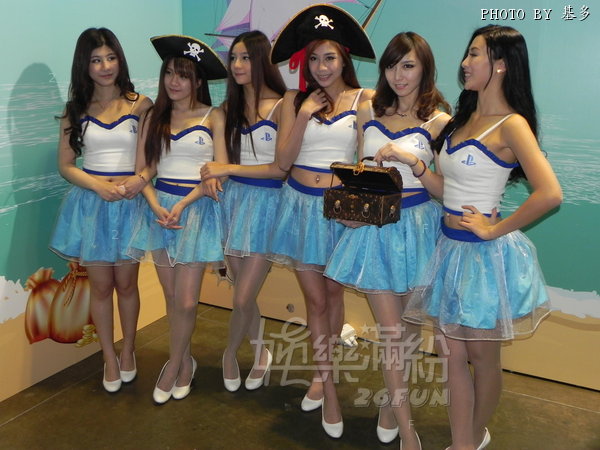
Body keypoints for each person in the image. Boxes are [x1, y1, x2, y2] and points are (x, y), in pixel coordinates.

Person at [377, 25, 562, 449]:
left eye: (475, 54)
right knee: (450, 355)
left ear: (501, 64)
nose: (464, 62)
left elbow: (550, 193)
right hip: (448, 249)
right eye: (467, 53)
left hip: (483, 256)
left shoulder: (512, 125)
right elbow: (447, 191)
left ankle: (472, 438)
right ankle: (463, 440)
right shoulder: (463, 118)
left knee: (481, 356)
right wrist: (416, 166)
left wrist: (493, 228)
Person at [325, 31, 450, 449]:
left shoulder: (439, 122)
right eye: (392, 65)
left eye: (409, 65)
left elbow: (445, 190)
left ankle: (390, 406)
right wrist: (350, 207)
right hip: (375, 229)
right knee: (392, 333)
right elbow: (357, 168)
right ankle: (409, 432)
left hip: (419, 228)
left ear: (425, 69)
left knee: (409, 332)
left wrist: (413, 162)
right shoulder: (368, 109)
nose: (399, 75)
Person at [268, 4, 375, 438]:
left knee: (333, 294)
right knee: (315, 300)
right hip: (299, 205)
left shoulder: (364, 99)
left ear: (344, 59)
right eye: (313, 58)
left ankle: (325, 370)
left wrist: (359, 206)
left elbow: (367, 160)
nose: (321, 67)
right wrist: (305, 114)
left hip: (337, 207)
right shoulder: (293, 101)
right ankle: (323, 378)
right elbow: (282, 161)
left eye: (329, 57)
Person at [49, 27, 152, 393]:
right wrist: (97, 186)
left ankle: (128, 350)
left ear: (120, 60)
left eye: (111, 57)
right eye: (96, 60)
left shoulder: (141, 104)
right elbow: (66, 165)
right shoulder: (74, 110)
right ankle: (108, 357)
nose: (105, 66)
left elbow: (150, 159)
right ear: (85, 65)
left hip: (129, 203)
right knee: (101, 286)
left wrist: (137, 181)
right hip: (93, 205)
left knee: (127, 283)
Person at [127, 35, 227, 404]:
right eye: (169, 73)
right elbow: (144, 169)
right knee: (171, 297)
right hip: (159, 210)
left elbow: (219, 170)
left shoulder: (214, 116)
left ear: (198, 81)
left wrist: (184, 203)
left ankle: (172, 365)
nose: (174, 81)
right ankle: (185, 362)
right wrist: (155, 205)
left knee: (186, 301)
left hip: (195, 210)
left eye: (183, 75)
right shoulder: (154, 116)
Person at [199, 31, 287, 392]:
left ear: (262, 60)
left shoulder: (283, 106)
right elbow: (217, 162)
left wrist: (227, 169)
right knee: (242, 292)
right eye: (233, 58)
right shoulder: (226, 110)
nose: (237, 65)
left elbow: (280, 169)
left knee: (241, 296)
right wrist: (212, 176)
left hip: (269, 206)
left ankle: (230, 353)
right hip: (232, 205)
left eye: (245, 58)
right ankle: (261, 352)